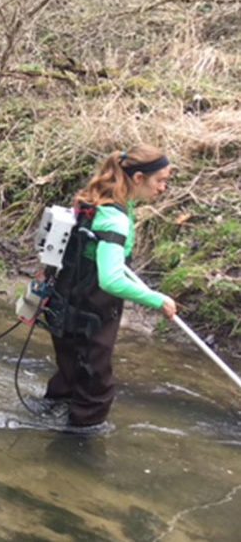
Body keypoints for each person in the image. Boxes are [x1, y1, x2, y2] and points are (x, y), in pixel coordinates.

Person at [42, 145, 177, 431]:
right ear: (138, 178)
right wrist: (156, 299)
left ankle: (46, 419)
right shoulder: (115, 219)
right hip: (90, 314)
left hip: (63, 306)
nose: (164, 187)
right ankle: (77, 456)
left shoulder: (94, 202)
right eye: (160, 181)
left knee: (68, 377)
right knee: (95, 391)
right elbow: (111, 279)